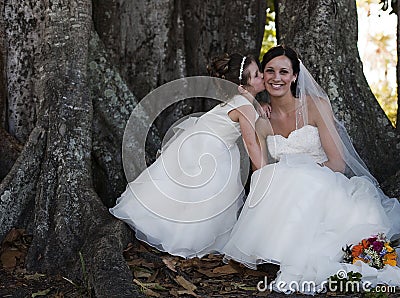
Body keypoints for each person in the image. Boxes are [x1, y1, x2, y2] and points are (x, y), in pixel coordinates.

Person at [222, 45, 400, 294]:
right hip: (283, 197)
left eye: (284, 71)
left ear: (294, 76)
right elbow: (261, 171)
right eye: (270, 71)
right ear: (262, 75)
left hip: (325, 186)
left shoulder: (316, 106)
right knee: (287, 177)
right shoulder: (260, 120)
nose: (277, 77)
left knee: (300, 176)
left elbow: (337, 162)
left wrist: (303, 173)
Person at [110, 53, 266, 259]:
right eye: (256, 75)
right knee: (203, 195)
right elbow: (251, 142)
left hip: (198, 143)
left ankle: (169, 226)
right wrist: (264, 170)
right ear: (242, 87)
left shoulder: (240, 101)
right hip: (210, 150)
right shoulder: (244, 105)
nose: (262, 76)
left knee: (186, 191)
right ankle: (184, 239)